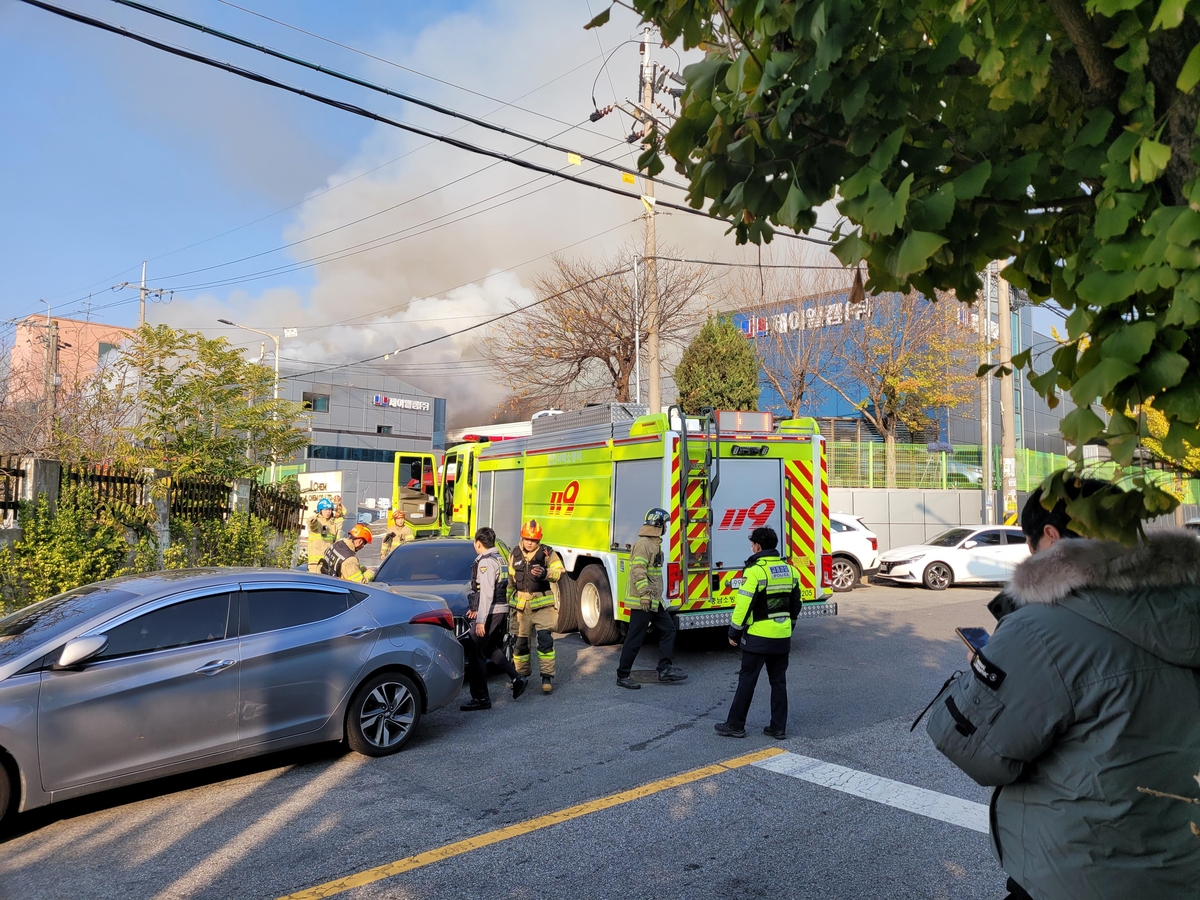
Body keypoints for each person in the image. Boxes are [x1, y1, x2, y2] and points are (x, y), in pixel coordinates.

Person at [926, 482, 1200, 900]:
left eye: (1029, 545)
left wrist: (979, 676)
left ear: (1051, 538)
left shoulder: (1042, 628)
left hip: (1081, 875)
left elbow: (976, 753)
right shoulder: (1189, 602)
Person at [714, 526, 801, 739]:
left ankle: (735, 725)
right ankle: (778, 728)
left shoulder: (755, 571)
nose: (752, 548)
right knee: (778, 682)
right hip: (782, 636)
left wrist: (734, 632)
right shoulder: (790, 570)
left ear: (758, 546)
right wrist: (790, 626)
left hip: (759, 637)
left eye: (752, 544)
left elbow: (743, 605)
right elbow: (796, 604)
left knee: (747, 680)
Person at [616, 507, 687, 689]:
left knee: (669, 630)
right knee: (635, 638)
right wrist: (645, 596)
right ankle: (623, 675)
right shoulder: (644, 544)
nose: (666, 527)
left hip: (654, 601)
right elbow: (638, 572)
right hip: (643, 602)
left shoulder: (654, 544)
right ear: (658, 525)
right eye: (665, 524)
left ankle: (664, 670)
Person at [460, 527, 527, 711]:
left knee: (475, 649)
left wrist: (480, 620)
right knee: (489, 648)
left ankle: (481, 698)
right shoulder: (499, 558)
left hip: (491, 611)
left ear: (477, 543)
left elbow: (487, 592)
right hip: (498, 610)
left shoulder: (486, 563)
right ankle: (517, 678)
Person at [508, 519, 564, 694]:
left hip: (543, 607)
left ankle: (546, 677)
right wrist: (509, 602)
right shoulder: (514, 554)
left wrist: (546, 573)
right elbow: (510, 582)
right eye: (527, 539)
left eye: (533, 540)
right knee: (521, 645)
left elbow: (559, 572)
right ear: (522, 537)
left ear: (538, 540)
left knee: (545, 642)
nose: (530, 543)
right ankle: (521, 676)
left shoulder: (547, 553)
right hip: (521, 609)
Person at [305, 498, 339, 574]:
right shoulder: (317, 521)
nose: (328, 512)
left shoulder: (332, 524)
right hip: (316, 564)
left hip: (328, 563)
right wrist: (312, 521)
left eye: (330, 509)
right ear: (320, 510)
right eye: (326, 509)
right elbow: (313, 525)